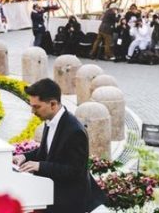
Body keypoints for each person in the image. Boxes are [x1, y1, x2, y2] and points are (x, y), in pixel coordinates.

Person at [13, 78, 105, 212]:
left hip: (68, 201)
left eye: (36, 107)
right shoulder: (50, 120)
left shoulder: (75, 131)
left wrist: (40, 166)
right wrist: (24, 157)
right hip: (51, 193)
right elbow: (48, 150)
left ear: (53, 104)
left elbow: (75, 171)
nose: (32, 112)